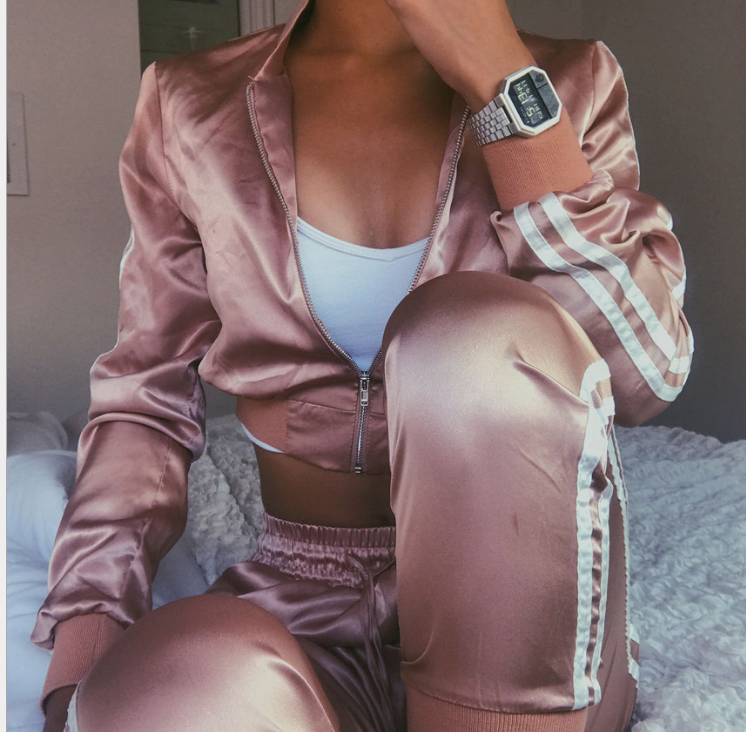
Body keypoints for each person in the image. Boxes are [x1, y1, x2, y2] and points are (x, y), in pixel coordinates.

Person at [33, 0, 693, 730]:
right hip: (301, 593)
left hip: (530, 605)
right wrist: (84, 647)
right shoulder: (190, 101)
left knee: (472, 341)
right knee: (173, 690)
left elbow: (647, 372)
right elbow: (144, 399)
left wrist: (505, 85)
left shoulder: (570, 79)